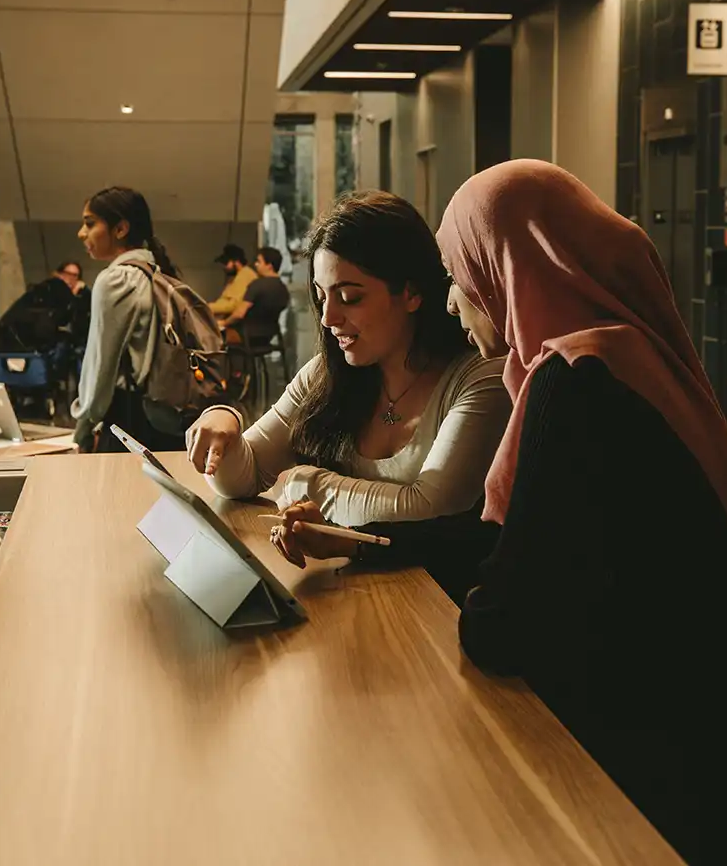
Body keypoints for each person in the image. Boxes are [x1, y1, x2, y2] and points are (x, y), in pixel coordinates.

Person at [435, 160, 727, 866]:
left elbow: (502, 625)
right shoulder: (628, 357)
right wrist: (375, 546)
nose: (450, 302)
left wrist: (472, 594)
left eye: (460, 272)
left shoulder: (576, 384)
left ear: (510, 267)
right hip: (700, 752)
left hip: (644, 801)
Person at [186, 192, 512, 599]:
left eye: (350, 297)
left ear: (411, 292)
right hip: (353, 596)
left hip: (435, 612)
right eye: (323, 296)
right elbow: (240, 479)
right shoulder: (330, 374)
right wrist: (226, 424)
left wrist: (309, 484)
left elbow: (428, 509)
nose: (329, 318)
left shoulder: (480, 376)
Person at [72, 186, 184, 454]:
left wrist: (84, 427)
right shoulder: (157, 272)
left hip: (129, 422)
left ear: (120, 229)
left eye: (90, 223)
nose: (81, 233)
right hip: (166, 417)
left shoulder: (116, 280)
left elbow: (101, 365)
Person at [0, 261, 86, 351]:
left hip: (18, 335)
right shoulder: (56, 285)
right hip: (21, 335)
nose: (70, 279)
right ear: (59, 274)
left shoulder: (51, 289)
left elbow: (64, 319)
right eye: (67, 274)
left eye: (75, 276)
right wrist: (78, 294)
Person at [218, 246, 290, 348]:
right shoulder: (282, 288)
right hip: (268, 337)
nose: (256, 264)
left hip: (247, 336)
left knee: (212, 333)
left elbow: (239, 314)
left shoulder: (257, 285)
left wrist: (224, 322)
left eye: (259, 262)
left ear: (269, 266)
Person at [208, 244, 257, 319]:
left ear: (236, 262)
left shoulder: (245, 276)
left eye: (225, 263)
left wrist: (207, 308)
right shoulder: (237, 276)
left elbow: (233, 305)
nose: (224, 267)